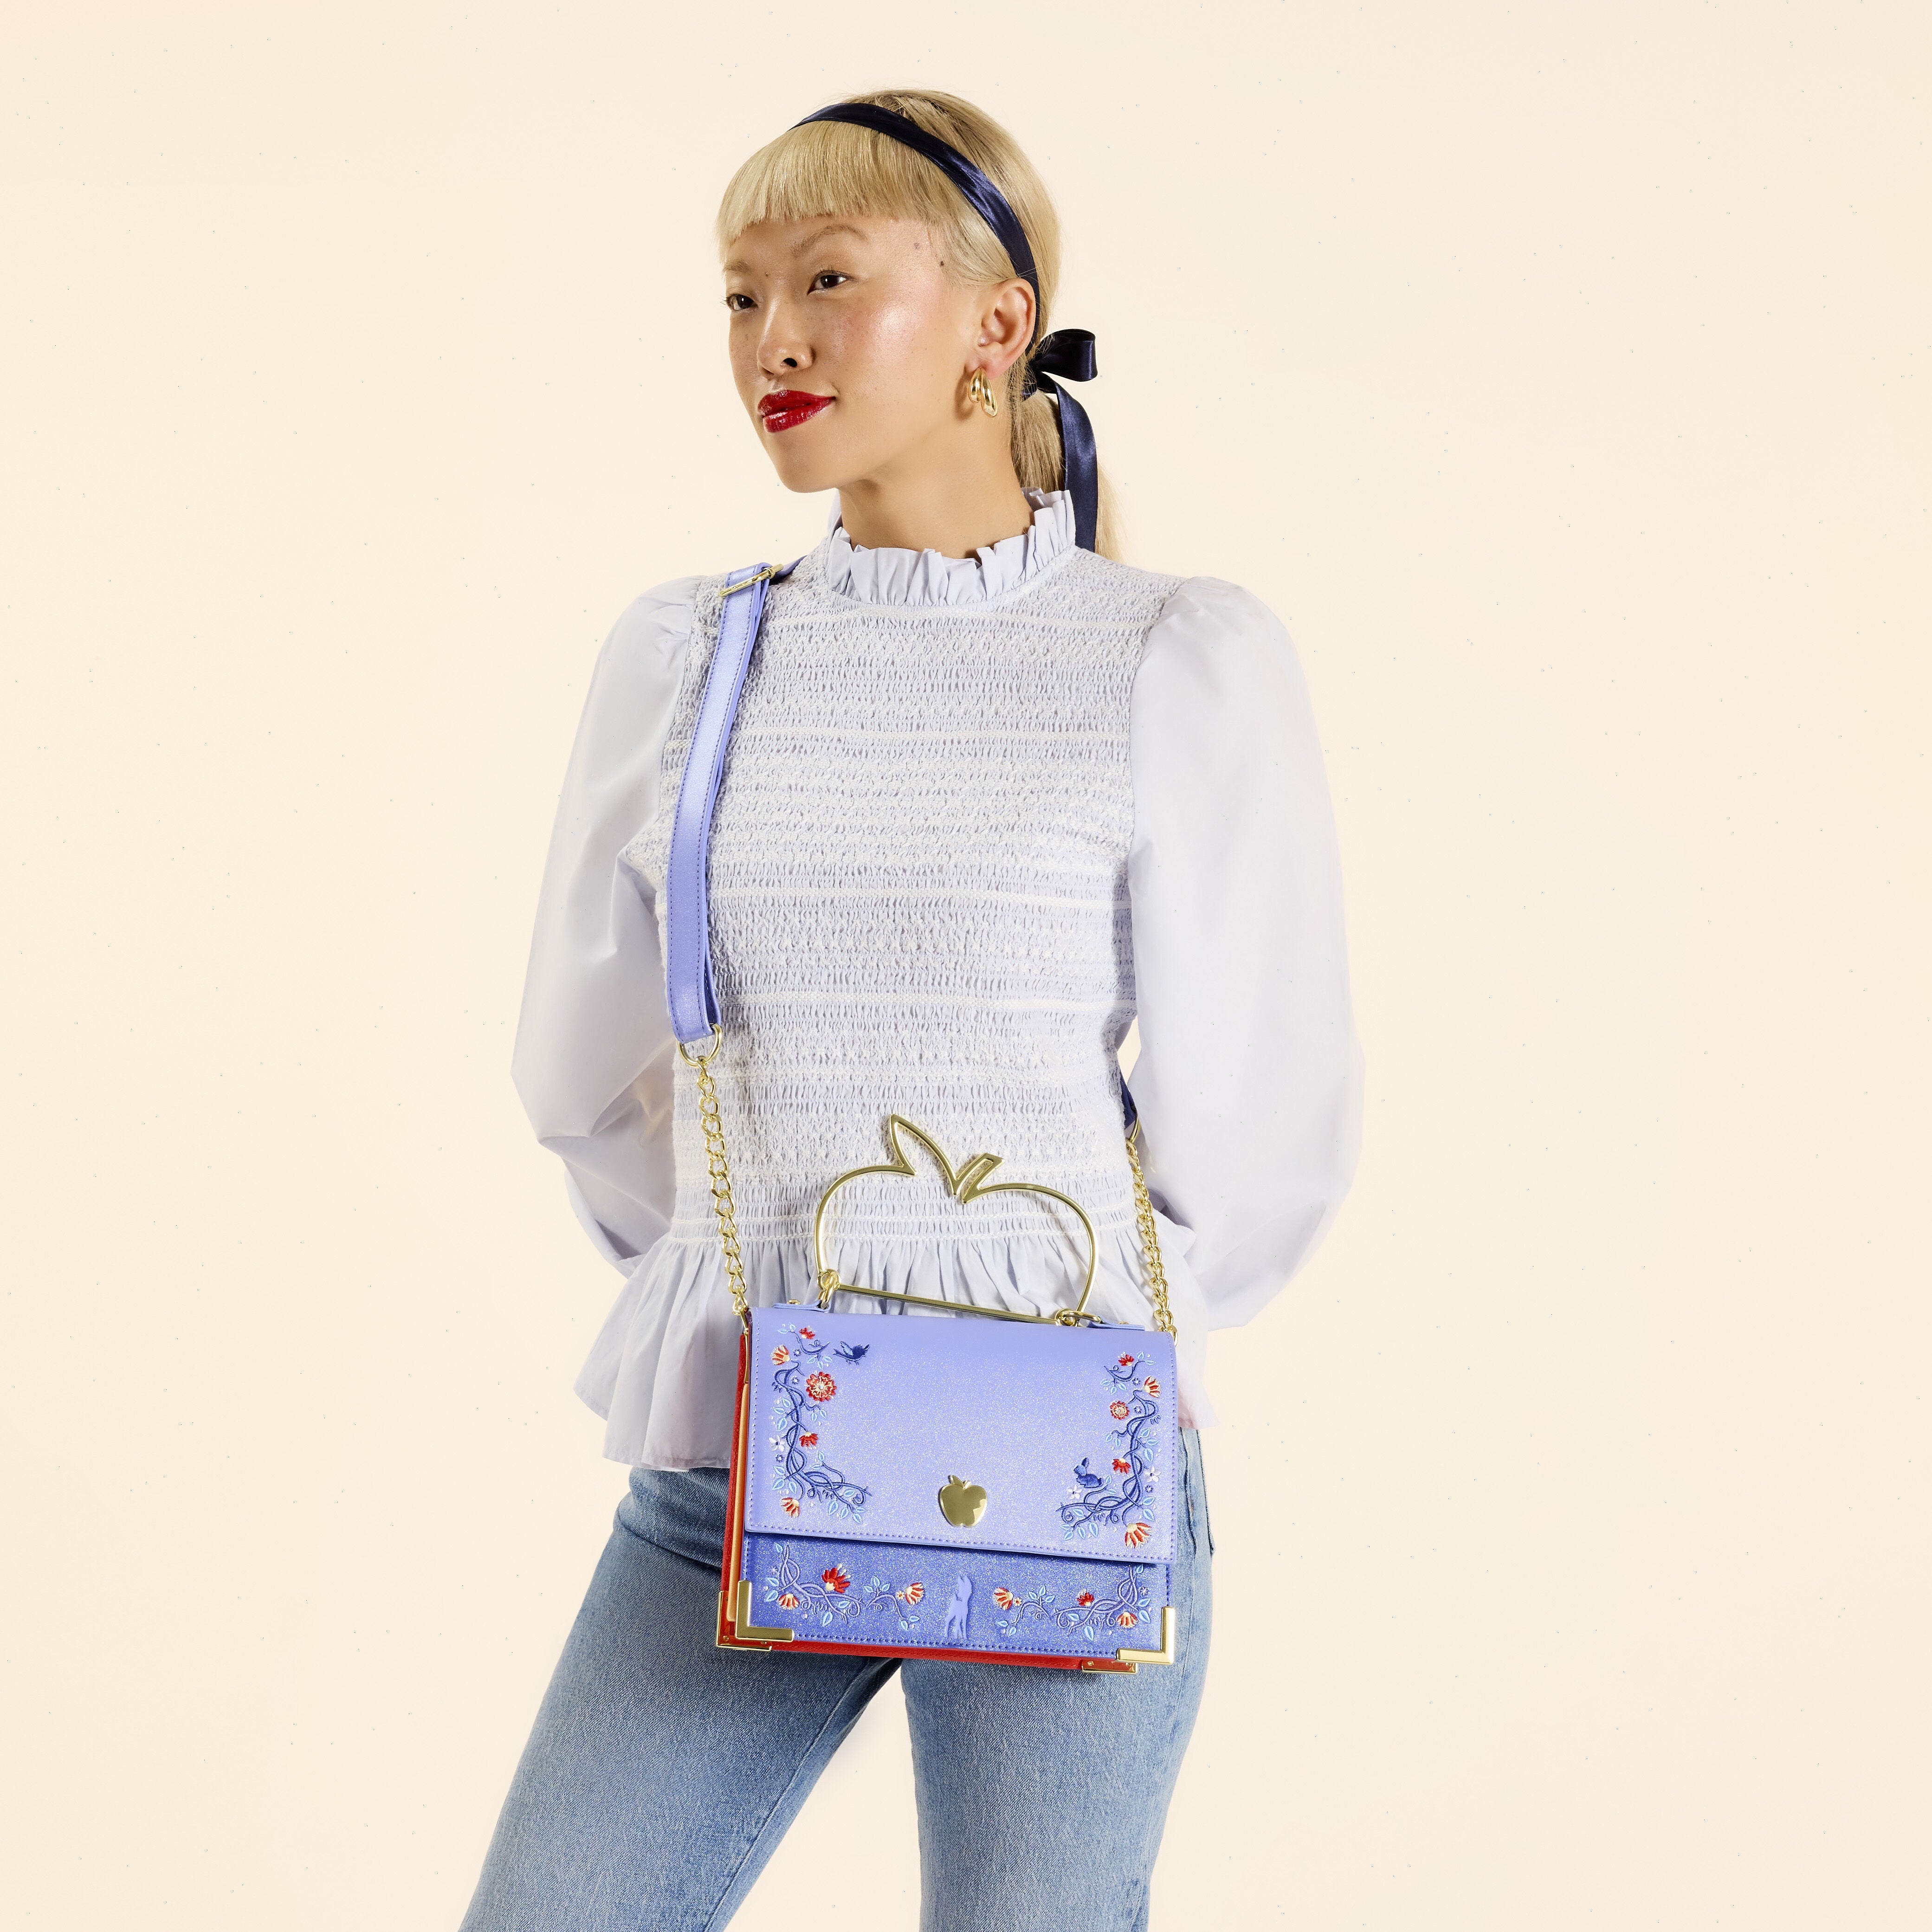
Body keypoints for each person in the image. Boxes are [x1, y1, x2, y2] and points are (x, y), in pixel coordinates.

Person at [460, 88, 1362, 1932]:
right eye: (739, 295)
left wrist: (1066, 1347)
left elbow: (1263, 1121)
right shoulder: (688, 651)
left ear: (996, 323)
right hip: (744, 1442)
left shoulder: (1170, 657)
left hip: (1059, 1456)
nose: (771, 341)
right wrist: (755, 1297)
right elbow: (580, 1072)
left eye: (828, 280)